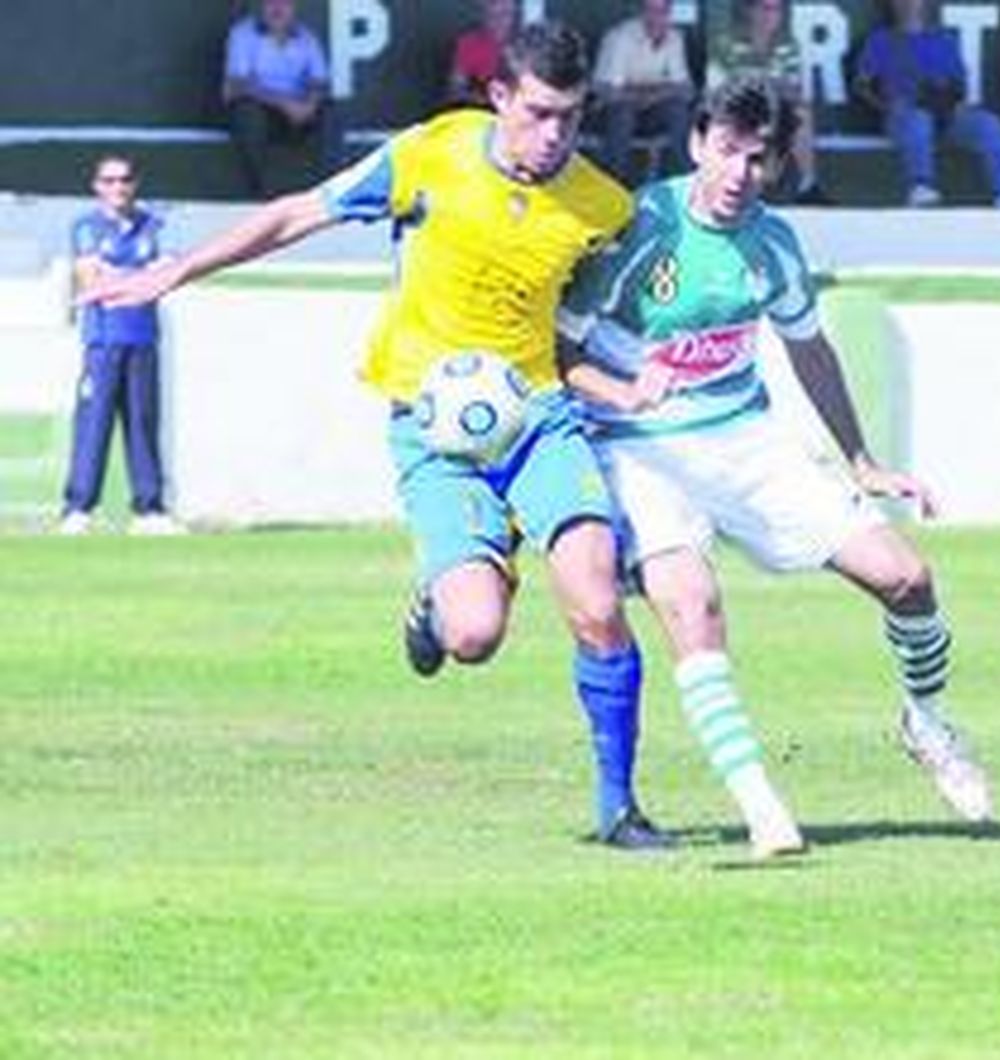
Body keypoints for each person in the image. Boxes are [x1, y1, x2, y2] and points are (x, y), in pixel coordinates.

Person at [85, 24, 668, 851]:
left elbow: (608, 317)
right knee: (474, 634)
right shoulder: (431, 153)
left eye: (571, 118)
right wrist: (174, 270)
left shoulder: (601, 205)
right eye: (539, 114)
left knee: (598, 597)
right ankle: (440, 598)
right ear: (499, 97)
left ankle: (619, 807)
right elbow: (297, 213)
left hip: (538, 418)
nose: (556, 135)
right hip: (434, 425)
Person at [558, 78, 994, 860]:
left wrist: (861, 461)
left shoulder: (775, 243)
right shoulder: (640, 227)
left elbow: (808, 345)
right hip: (637, 445)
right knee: (693, 606)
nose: (739, 174)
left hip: (744, 438)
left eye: (758, 158)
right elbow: (560, 352)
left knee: (907, 578)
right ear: (697, 143)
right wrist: (625, 390)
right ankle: (763, 809)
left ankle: (925, 723)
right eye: (727, 151)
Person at [59, 156, 184, 538]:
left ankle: (149, 508)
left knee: (143, 423)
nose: (118, 188)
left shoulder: (152, 225)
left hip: (143, 338)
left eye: (124, 180)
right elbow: (91, 278)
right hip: (102, 340)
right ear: (97, 186)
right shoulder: (87, 227)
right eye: (109, 180)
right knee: (93, 424)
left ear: (135, 184)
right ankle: (78, 507)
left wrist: (128, 274)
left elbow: (168, 272)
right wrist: (140, 275)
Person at [854, 0, 1000, 210]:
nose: (908, 5)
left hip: (945, 112)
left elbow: (958, 83)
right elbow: (862, 85)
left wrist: (951, 100)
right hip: (905, 115)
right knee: (918, 120)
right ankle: (920, 186)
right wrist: (887, 105)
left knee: (987, 122)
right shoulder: (881, 40)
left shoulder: (943, 39)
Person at [706, 0, 831, 204]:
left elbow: (793, 88)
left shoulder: (788, 45)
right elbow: (715, 89)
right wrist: (763, 87)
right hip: (737, 109)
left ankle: (807, 187)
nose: (769, 15)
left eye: (775, 9)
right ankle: (723, 184)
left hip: (774, 109)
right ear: (750, 10)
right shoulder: (725, 44)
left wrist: (759, 87)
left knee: (803, 115)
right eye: (764, 8)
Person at [223, 0, 343, 198]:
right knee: (248, 113)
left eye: (284, 3)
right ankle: (260, 191)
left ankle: (331, 188)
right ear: (262, 6)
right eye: (271, 3)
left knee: (331, 112)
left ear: (293, 7)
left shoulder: (307, 38)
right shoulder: (243, 34)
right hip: (261, 108)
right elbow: (239, 85)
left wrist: (309, 105)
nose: (277, 8)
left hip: (297, 111)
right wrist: (285, 104)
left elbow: (319, 82)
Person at [592, 0, 696, 186]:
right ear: (640, 12)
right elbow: (613, 92)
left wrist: (647, 94)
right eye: (651, 10)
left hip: (650, 110)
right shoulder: (621, 37)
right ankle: (615, 182)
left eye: (662, 11)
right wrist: (662, 90)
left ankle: (687, 176)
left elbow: (686, 89)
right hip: (608, 109)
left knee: (678, 110)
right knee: (623, 111)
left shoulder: (674, 37)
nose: (656, 17)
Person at [447, 0, 520, 108]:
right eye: (494, 16)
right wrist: (482, 100)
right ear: (484, 15)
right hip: (481, 111)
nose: (500, 22)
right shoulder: (468, 44)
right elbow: (454, 91)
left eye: (505, 14)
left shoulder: (524, 44)